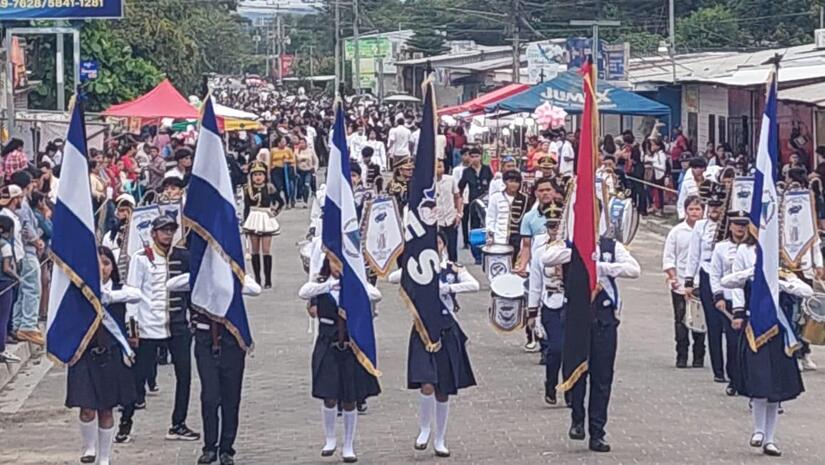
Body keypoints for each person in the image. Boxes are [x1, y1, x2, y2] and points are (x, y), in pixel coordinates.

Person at [542, 231, 641, 452]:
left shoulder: (611, 246)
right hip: (577, 317)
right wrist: (580, 255)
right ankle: (577, 418)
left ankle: (598, 432)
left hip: (604, 319)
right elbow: (547, 258)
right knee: (576, 371)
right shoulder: (568, 244)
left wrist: (603, 267)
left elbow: (634, 269)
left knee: (602, 377)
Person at [389, 231, 479, 458]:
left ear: (443, 245)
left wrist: (447, 288)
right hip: (423, 330)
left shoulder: (452, 268)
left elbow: (474, 285)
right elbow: (393, 278)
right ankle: (424, 428)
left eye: (438, 242)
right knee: (426, 383)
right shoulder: (417, 269)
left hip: (447, 328)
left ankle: (440, 438)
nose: (435, 245)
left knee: (443, 389)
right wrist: (412, 264)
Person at [721, 226, 808, 457]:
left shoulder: (782, 273)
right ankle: (758, 430)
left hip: (779, 334)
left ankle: (770, 439)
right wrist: (751, 273)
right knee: (759, 382)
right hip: (755, 331)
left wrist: (784, 284)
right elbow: (727, 281)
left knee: (775, 387)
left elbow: (806, 291)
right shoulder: (752, 271)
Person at [166, 270, 261, 465]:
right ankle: (210, 447)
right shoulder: (199, 275)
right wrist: (200, 272)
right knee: (209, 396)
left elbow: (255, 289)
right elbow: (172, 284)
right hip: (205, 341)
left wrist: (232, 274)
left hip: (232, 341)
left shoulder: (234, 274)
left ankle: (227, 449)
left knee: (231, 397)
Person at [118, 216, 199, 444]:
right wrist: (132, 328)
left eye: (171, 230)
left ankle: (178, 424)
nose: (167, 234)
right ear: (153, 233)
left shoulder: (183, 257)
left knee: (184, 376)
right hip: (148, 327)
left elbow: (190, 291)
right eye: (163, 230)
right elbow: (132, 294)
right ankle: (126, 421)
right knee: (139, 377)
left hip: (178, 326)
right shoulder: (141, 258)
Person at [298, 257, 382, 463]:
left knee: (349, 397)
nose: (338, 269)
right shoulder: (321, 285)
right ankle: (329, 438)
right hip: (327, 341)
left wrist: (354, 283)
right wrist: (328, 284)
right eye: (335, 264)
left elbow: (375, 294)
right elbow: (303, 292)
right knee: (329, 394)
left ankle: (348, 444)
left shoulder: (353, 286)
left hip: (350, 344)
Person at [67, 246, 141, 465]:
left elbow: (135, 295)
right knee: (86, 407)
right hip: (85, 353)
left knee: (107, 409)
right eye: (97, 263)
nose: (102, 268)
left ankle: (105, 456)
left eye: (107, 263)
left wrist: (108, 295)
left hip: (111, 354)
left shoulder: (120, 290)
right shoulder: (80, 290)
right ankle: (88, 446)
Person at [684, 186, 728, 385]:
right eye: (712, 206)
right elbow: (693, 255)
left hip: (726, 277)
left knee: (731, 324)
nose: (714, 210)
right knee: (713, 325)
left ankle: (734, 368)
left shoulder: (728, 225)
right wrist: (689, 280)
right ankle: (718, 369)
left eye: (719, 206)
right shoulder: (701, 226)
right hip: (706, 273)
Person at [708, 210, 754, 396]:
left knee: (751, 345)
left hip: (750, 302)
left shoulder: (754, 249)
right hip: (728, 301)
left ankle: (749, 381)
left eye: (743, 225)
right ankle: (734, 380)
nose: (740, 228)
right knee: (734, 344)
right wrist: (718, 296)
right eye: (737, 224)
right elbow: (715, 274)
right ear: (730, 225)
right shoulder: (721, 247)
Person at [527, 202, 565, 404]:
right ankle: (551, 383)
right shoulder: (540, 249)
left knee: (572, 349)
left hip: (569, 302)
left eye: (558, 225)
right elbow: (535, 282)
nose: (554, 230)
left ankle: (570, 388)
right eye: (551, 226)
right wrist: (532, 313)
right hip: (550, 302)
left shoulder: (570, 246)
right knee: (556, 348)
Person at [662, 195, 706, 368]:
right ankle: (681, 355)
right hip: (680, 282)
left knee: (699, 320)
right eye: (692, 209)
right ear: (686, 210)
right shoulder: (677, 231)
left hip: (700, 282)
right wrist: (673, 277)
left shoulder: (707, 231)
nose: (695, 212)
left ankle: (699, 356)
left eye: (698, 209)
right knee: (680, 320)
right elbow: (669, 257)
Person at [10, 171, 44, 346]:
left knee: (25, 289)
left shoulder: (23, 204)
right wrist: (37, 240)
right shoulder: (22, 205)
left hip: (25, 251)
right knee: (32, 288)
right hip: (27, 250)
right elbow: (26, 226)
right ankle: (28, 325)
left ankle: (19, 323)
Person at [242, 161, 280, 287]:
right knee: (254, 250)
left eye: (260, 174)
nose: (258, 177)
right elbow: (246, 207)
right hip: (253, 217)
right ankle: (257, 278)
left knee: (266, 250)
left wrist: (274, 212)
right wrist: (245, 222)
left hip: (265, 217)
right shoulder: (248, 189)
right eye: (255, 174)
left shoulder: (269, 187)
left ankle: (268, 279)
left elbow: (280, 201)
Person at [0, 215, 19, 363]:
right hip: (5, 283)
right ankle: (1, 349)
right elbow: (6, 268)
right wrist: (18, 277)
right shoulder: (5, 245)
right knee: (3, 317)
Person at [435, 158, 462, 262]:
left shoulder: (450, 180)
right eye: (437, 166)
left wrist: (458, 214)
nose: (440, 169)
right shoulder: (429, 183)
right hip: (437, 221)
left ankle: (453, 270)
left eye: (441, 166)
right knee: (438, 248)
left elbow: (457, 197)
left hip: (450, 218)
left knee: (452, 249)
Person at [269, 137, 295, 209]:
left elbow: (293, 160)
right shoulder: (273, 150)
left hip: (285, 169)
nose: (284, 143)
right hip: (275, 170)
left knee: (286, 186)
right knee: (277, 186)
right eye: (282, 142)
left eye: (285, 142)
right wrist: (269, 171)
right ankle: (276, 201)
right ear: (278, 143)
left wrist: (288, 161)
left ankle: (287, 202)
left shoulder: (288, 150)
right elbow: (270, 161)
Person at [294, 138, 319, 208]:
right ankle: (300, 197)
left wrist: (315, 169)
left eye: (303, 143)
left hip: (308, 171)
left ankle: (305, 201)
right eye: (300, 143)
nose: (301, 144)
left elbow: (316, 160)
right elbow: (294, 162)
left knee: (306, 185)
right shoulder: (296, 152)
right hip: (300, 171)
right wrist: (295, 171)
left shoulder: (311, 151)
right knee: (300, 186)